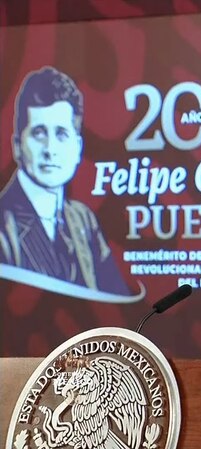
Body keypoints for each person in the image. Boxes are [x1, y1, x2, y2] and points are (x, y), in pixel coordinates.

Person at [0, 66, 130, 295]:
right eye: (39, 133)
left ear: (77, 147)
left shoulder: (83, 220)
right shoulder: (3, 224)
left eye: (61, 134)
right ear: (18, 145)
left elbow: (116, 303)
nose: (50, 149)